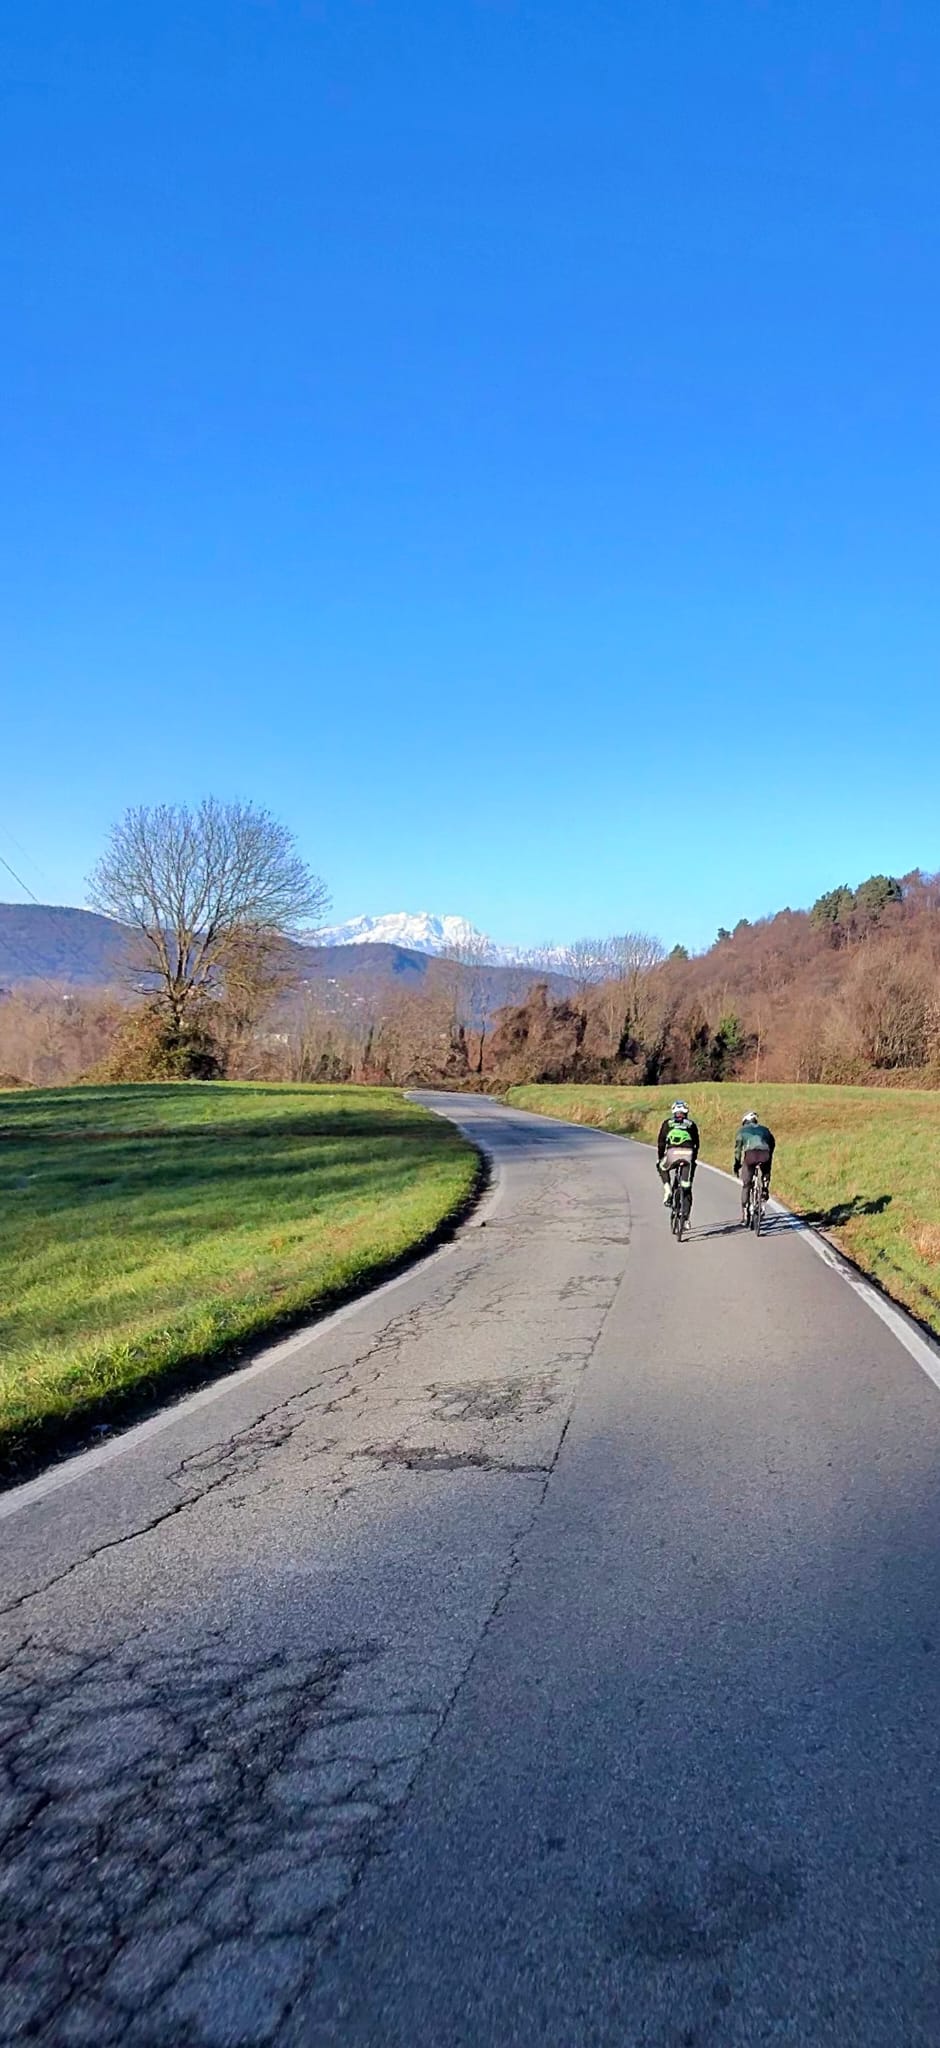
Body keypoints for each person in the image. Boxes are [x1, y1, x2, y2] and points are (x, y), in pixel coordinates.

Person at [657, 1099, 700, 1214]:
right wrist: (693, 1159)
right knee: (687, 1187)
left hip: (672, 1153)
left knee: (661, 1167)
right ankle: (685, 1218)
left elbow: (661, 1142)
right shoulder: (691, 1124)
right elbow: (696, 1144)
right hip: (688, 1155)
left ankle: (667, 1189)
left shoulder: (667, 1123)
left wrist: (660, 1157)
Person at [733, 1110, 776, 1223]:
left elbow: (738, 1150)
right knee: (766, 1168)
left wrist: (737, 1164)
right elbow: (772, 1143)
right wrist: (769, 1156)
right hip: (765, 1154)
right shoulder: (765, 1130)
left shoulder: (742, 1131)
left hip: (750, 1156)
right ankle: (765, 1186)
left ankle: (745, 1212)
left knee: (746, 1184)